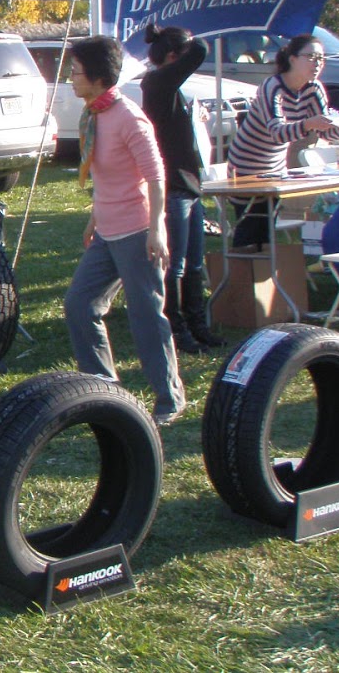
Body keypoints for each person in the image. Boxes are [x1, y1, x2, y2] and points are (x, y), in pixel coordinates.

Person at [62, 36, 186, 426]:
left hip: (136, 232)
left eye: (76, 72)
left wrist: (157, 230)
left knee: (146, 316)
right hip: (107, 231)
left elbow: (156, 176)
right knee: (80, 304)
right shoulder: (94, 115)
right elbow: (106, 174)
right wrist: (94, 217)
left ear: (98, 78)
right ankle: (103, 389)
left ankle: (169, 398)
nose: (70, 79)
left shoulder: (128, 117)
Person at [138, 23, 222, 355]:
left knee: (194, 263)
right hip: (173, 186)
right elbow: (200, 51)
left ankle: (198, 324)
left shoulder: (169, 87)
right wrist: (194, 28)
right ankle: (177, 328)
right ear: (173, 58)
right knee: (176, 265)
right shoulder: (158, 81)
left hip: (188, 185)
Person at [225, 34, 339, 247]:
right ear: (292, 59)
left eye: (321, 58)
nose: (317, 63)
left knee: (266, 230)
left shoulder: (314, 88)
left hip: (275, 169)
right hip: (245, 167)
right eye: (310, 57)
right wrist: (310, 123)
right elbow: (278, 133)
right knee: (251, 227)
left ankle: (264, 275)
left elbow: (326, 134)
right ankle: (242, 275)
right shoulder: (272, 87)